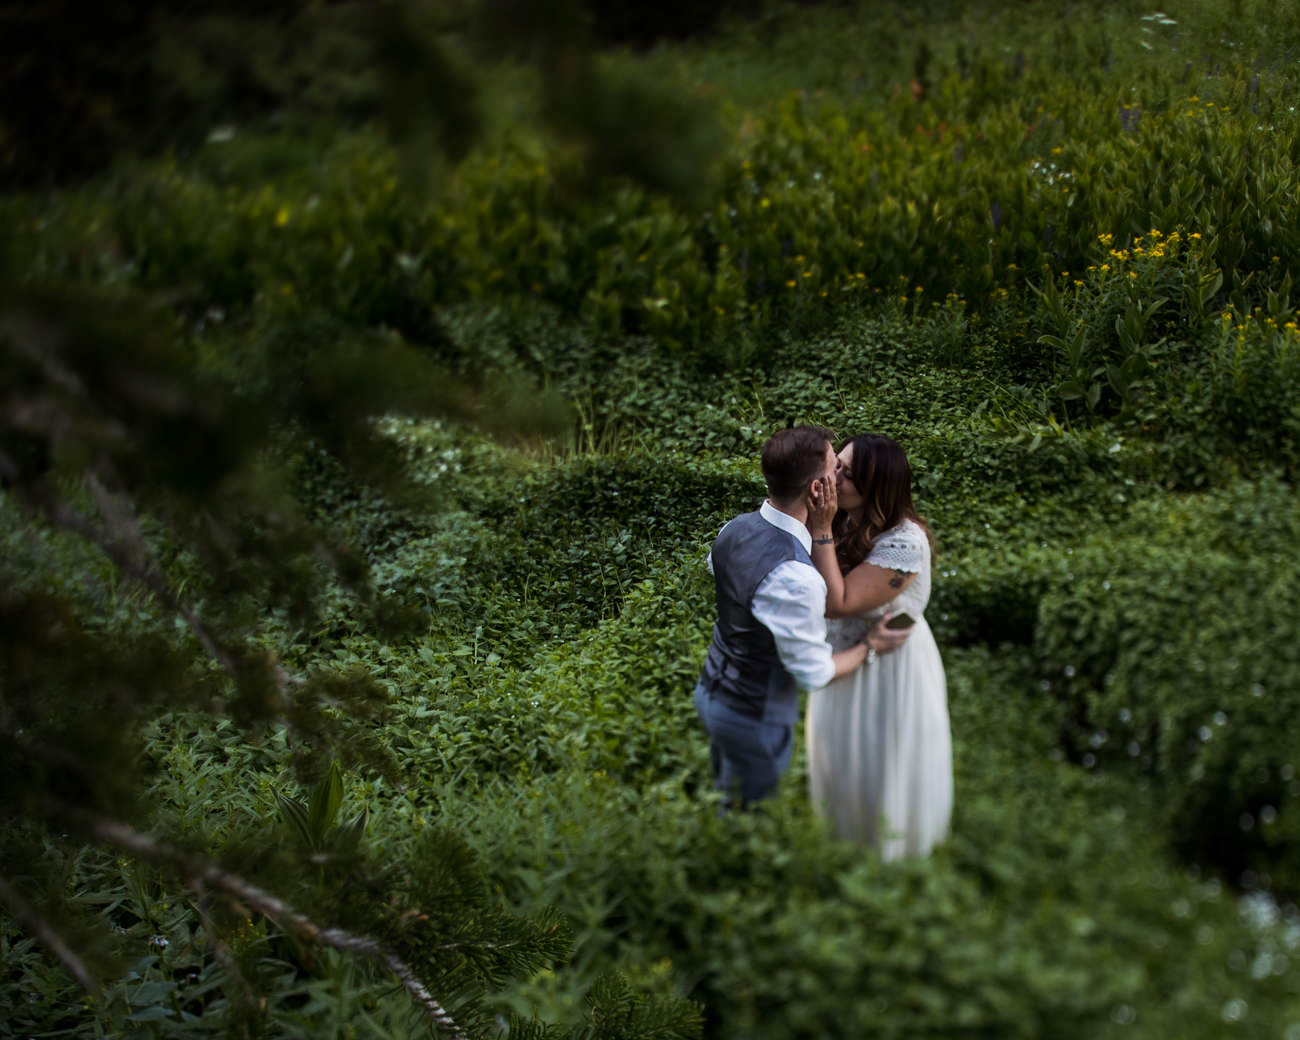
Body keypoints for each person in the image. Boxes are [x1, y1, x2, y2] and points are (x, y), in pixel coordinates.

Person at [694, 425, 911, 809]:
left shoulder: (732, 530)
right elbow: (812, 673)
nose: (841, 477)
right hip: (753, 715)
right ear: (816, 490)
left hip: (710, 691)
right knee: (751, 818)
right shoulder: (797, 578)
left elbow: (726, 575)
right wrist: (869, 647)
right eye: (835, 469)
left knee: (728, 792)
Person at [804, 433, 952, 858]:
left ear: (878, 487)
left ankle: (890, 857)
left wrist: (820, 528)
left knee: (879, 759)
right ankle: (839, 847)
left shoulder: (904, 543)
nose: (835, 477)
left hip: (889, 663)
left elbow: (839, 602)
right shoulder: (844, 519)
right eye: (839, 464)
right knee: (839, 753)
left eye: (849, 474)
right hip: (843, 657)